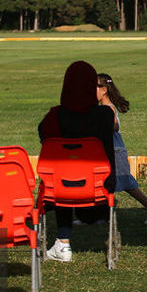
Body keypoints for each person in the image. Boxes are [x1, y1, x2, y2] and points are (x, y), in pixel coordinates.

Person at [39, 61, 117, 262]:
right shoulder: (105, 116)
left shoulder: (54, 117)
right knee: (69, 175)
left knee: (63, 175)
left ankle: (63, 243)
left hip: (62, 190)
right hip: (99, 188)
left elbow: (44, 136)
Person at [96, 73, 147, 224]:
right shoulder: (103, 108)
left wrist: (103, 124)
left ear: (104, 90)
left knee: (127, 183)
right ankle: (102, 214)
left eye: (95, 87)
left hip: (115, 150)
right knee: (104, 183)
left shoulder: (108, 108)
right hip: (109, 150)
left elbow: (114, 125)